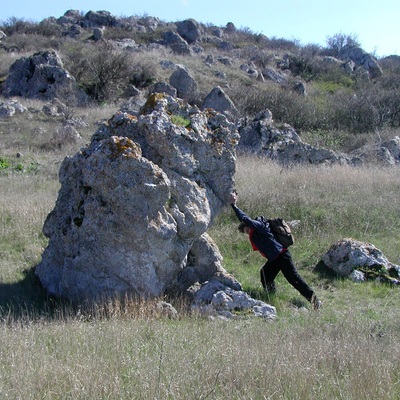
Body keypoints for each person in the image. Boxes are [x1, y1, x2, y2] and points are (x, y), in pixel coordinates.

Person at [229, 191, 321, 310]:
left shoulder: (259, 226)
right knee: (265, 274)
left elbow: (244, 218)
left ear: (250, 226)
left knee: (294, 279)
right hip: (275, 258)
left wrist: (233, 205)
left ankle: (315, 301)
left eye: (247, 231)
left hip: (282, 256)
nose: (248, 234)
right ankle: (271, 297)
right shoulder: (256, 231)